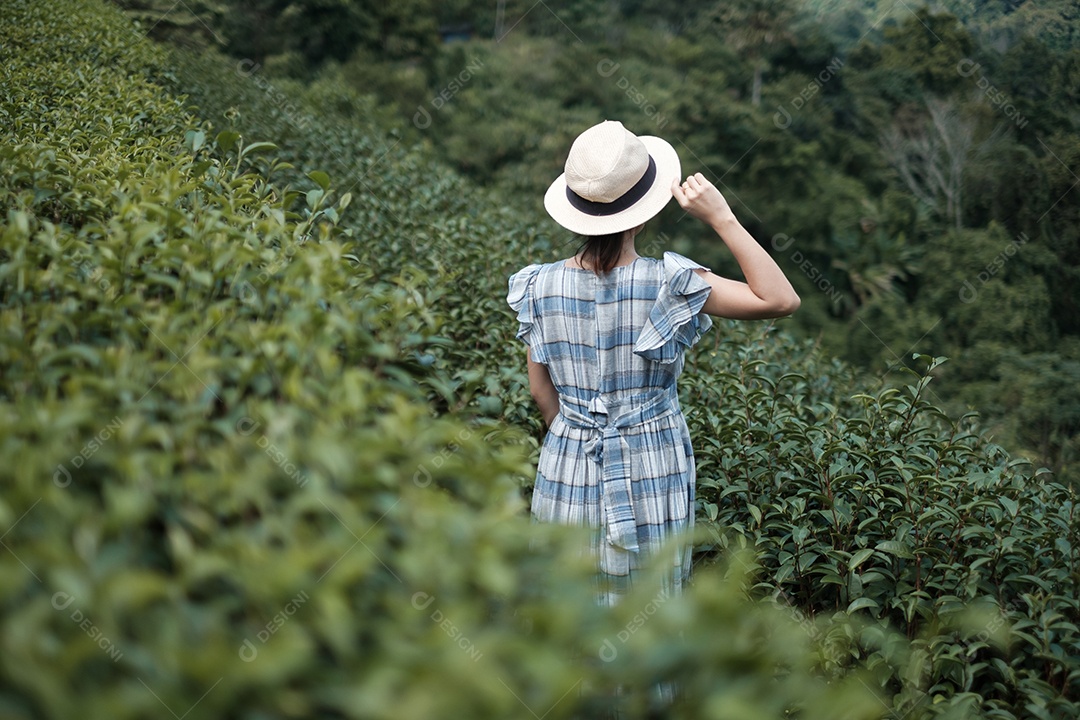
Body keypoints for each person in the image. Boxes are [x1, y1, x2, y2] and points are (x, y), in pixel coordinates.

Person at [506, 120, 799, 607]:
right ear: (642, 214)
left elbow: (542, 393)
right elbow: (779, 299)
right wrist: (722, 217)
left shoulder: (536, 286)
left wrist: (581, 437)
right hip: (650, 462)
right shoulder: (671, 282)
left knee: (562, 609)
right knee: (647, 609)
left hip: (567, 460)